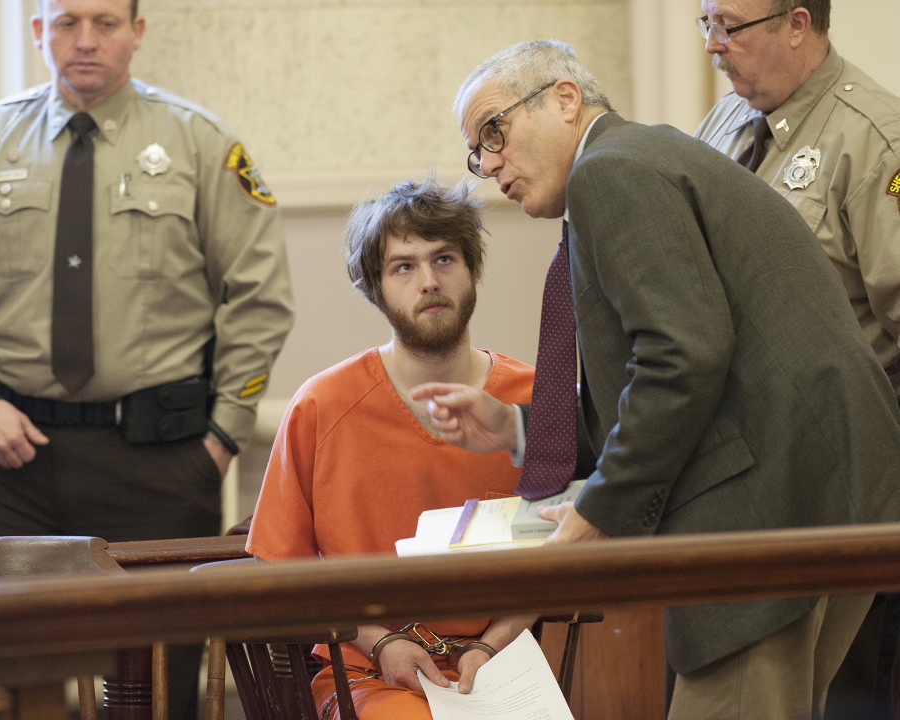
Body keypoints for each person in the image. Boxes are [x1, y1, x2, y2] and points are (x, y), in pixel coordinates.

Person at [410, 39, 900, 720]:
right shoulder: (640, 156)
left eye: (495, 129)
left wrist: (595, 516)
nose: (488, 162)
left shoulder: (609, 172)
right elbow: (677, 356)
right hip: (825, 490)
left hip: (767, 511)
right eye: (477, 149)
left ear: (564, 98)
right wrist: (514, 427)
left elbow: (680, 359)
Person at [0, 0, 293, 717]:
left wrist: (222, 435)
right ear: (37, 32)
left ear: (137, 33)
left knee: (157, 685)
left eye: (106, 22)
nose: (85, 41)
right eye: (66, 21)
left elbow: (259, 297)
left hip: (158, 463)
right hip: (8, 465)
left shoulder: (199, 144)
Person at [246, 177, 536, 720]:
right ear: (375, 287)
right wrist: (378, 641)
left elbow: (563, 557)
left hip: (507, 667)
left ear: (472, 270)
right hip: (364, 671)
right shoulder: (322, 406)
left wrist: (491, 646)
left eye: (444, 258)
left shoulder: (532, 403)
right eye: (403, 266)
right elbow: (279, 569)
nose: (428, 280)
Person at [694, 3, 900, 713]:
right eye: (703, 23)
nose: (714, 47)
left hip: (844, 483)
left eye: (730, 26)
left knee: (836, 696)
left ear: (797, 23)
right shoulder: (722, 123)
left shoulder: (875, 140)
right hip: (739, 475)